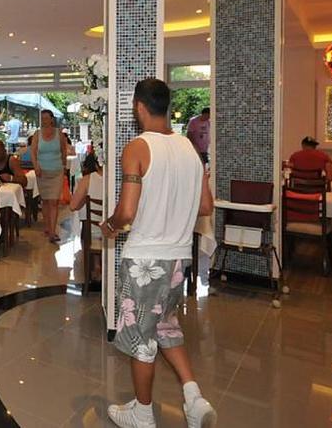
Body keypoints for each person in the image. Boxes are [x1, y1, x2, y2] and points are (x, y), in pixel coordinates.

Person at [98, 78, 215, 428]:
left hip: (145, 260)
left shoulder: (137, 148)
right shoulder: (190, 150)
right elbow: (205, 206)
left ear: (139, 107)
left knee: (141, 339)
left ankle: (143, 413)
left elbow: (127, 211)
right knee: (165, 326)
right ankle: (193, 398)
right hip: (179, 258)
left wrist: (109, 226)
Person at [30, 109, 71, 244]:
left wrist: (64, 166)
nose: (44, 121)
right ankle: (48, 227)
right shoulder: (37, 134)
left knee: (54, 201)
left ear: (52, 119)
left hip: (56, 171)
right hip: (42, 172)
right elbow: (33, 151)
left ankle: (53, 232)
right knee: (46, 201)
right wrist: (36, 166)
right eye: (42, 119)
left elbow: (64, 150)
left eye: (46, 118)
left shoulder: (59, 134)